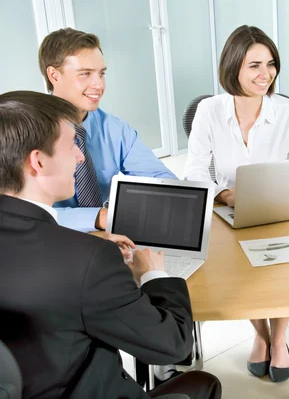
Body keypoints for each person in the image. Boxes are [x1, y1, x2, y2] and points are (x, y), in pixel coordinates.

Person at [0, 90, 222, 398]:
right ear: (37, 161)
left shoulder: (80, 255)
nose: (80, 156)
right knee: (204, 382)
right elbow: (172, 344)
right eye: (70, 146)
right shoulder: (87, 260)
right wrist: (154, 275)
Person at [184, 25, 289, 382]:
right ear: (233, 67)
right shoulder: (209, 110)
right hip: (227, 209)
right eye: (254, 65)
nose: (265, 74)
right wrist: (224, 194)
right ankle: (261, 333)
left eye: (270, 64)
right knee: (241, 273)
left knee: (280, 267)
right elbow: (192, 171)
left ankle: (280, 339)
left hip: (277, 208)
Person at [38, 28, 177, 232]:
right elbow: (22, 211)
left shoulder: (115, 128)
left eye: (101, 73)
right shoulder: (26, 131)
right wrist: (99, 217)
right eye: (85, 74)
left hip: (110, 239)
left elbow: (162, 181)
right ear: (54, 75)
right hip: (49, 243)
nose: (99, 85)